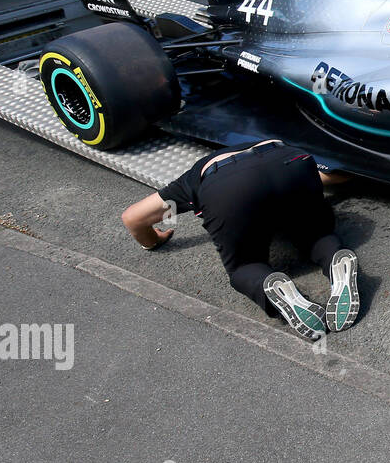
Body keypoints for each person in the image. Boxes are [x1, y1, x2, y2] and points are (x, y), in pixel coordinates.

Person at [121, 139, 359, 341]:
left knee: (245, 265)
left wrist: (154, 240)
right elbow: (332, 176)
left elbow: (133, 218)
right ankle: (334, 258)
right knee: (315, 233)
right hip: (289, 160)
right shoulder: (259, 145)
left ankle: (270, 285)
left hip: (227, 185)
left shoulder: (188, 180)